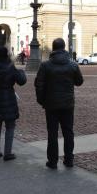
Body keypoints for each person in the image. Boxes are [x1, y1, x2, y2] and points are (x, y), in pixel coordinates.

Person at [35, 38, 84, 169]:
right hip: (68, 103)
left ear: (53, 48)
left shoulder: (45, 65)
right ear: (64, 48)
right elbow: (79, 81)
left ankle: (52, 161)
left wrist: (42, 100)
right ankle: (69, 159)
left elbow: (39, 84)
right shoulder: (72, 65)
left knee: (52, 133)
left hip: (51, 104)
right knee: (68, 132)